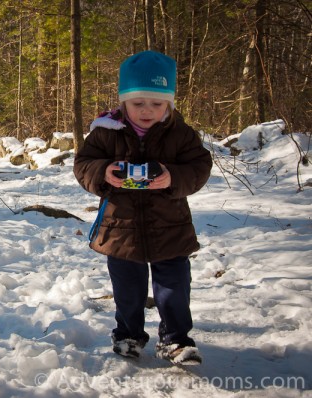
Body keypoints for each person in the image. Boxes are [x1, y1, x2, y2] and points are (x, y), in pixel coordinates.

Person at [73, 50, 212, 365]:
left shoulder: (180, 133)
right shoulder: (106, 132)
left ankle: (176, 340)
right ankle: (129, 334)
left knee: (174, 287)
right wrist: (103, 172)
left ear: (169, 103)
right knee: (128, 290)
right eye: (139, 104)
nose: (147, 111)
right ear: (124, 101)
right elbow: (83, 163)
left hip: (170, 227)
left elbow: (200, 165)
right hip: (121, 228)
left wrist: (172, 177)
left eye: (157, 103)